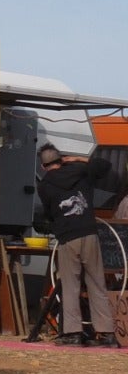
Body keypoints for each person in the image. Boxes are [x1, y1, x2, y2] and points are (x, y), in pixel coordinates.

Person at [37, 142, 115, 346]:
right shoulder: (80, 171)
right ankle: (106, 333)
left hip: (67, 237)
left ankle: (73, 333)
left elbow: (48, 213)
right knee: (97, 283)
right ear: (61, 160)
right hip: (89, 233)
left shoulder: (44, 185)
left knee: (70, 286)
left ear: (43, 166)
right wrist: (79, 159)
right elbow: (105, 166)